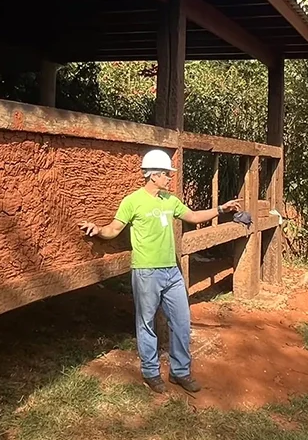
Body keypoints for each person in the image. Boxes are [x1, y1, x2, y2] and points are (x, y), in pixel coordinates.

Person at [79, 149, 241, 394]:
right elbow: (113, 229)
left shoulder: (170, 201)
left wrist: (221, 209)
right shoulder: (132, 201)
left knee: (182, 321)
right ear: (153, 175)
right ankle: (151, 372)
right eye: (166, 174)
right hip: (146, 271)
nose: (169, 178)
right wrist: (97, 229)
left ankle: (180, 372)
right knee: (146, 322)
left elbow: (194, 217)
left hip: (171, 272)